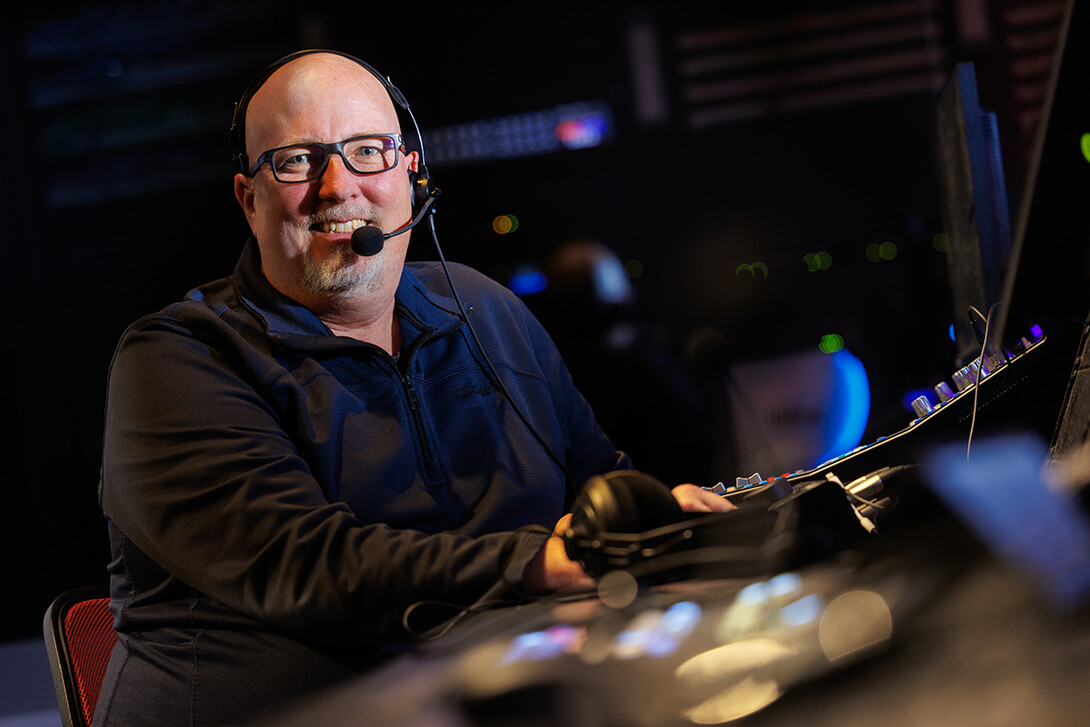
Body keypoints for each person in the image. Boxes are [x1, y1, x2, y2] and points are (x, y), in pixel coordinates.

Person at [93, 50, 730, 726]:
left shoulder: (486, 312)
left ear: (411, 174)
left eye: (368, 150)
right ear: (250, 199)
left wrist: (659, 519)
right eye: (298, 160)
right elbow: (307, 565)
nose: (338, 186)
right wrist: (534, 562)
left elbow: (598, 480)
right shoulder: (178, 359)